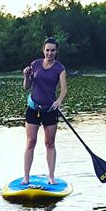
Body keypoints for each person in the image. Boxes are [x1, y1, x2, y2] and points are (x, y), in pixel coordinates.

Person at [22, 37, 68, 186]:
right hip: (33, 109)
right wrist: (26, 76)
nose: (49, 53)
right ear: (43, 50)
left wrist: (59, 101)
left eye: (52, 50)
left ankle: (51, 177)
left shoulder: (60, 68)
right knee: (30, 142)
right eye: (47, 50)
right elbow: (26, 87)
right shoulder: (35, 65)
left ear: (56, 51)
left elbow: (64, 90)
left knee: (50, 143)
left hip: (50, 110)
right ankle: (26, 178)